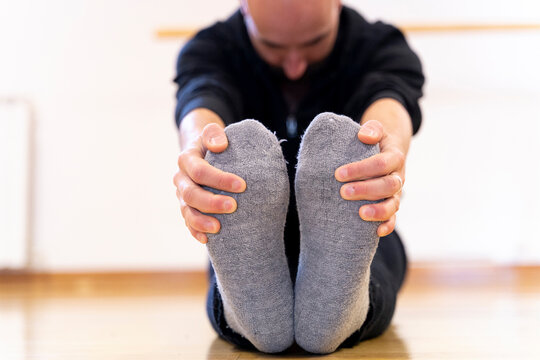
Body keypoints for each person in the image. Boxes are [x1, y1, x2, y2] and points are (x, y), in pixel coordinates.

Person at [173, 0, 424, 354]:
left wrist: (384, 150)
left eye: (314, 42)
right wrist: (199, 152)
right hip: (248, 237)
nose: (294, 67)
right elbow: (201, 96)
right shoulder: (213, 48)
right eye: (272, 47)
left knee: (373, 259)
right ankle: (304, 311)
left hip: (360, 233)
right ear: (245, 8)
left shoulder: (378, 45)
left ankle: (336, 310)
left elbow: (390, 96)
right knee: (235, 273)